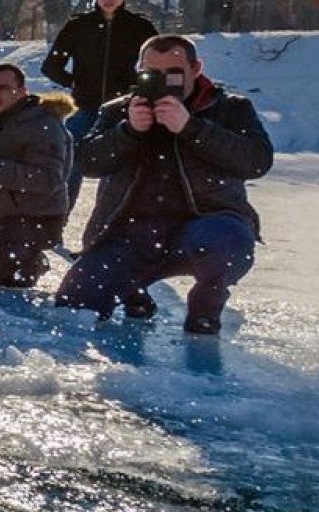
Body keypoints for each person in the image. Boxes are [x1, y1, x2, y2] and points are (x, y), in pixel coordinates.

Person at [54, 34, 273, 335]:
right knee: (74, 303)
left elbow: (257, 161)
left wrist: (191, 128)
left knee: (224, 244)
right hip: (131, 232)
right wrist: (129, 131)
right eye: (152, 74)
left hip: (207, 224)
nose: (164, 82)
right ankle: (134, 290)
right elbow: (89, 162)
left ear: (196, 69)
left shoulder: (230, 108)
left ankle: (205, 309)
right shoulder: (118, 110)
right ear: (139, 71)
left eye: (173, 73)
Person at [0, 62, 73, 288]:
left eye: (3, 88)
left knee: (13, 279)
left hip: (33, 218)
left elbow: (48, 180)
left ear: (21, 91)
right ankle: (5, 260)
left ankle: (27, 260)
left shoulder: (43, 124)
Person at [41, 0, 156, 218]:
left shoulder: (140, 27)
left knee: (116, 169)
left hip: (123, 110)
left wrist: (139, 88)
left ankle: (107, 224)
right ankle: (55, 219)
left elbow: (157, 65)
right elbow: (51, 66)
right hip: (84, 107)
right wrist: (76, 83)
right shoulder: (78, 25)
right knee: (70, 163)